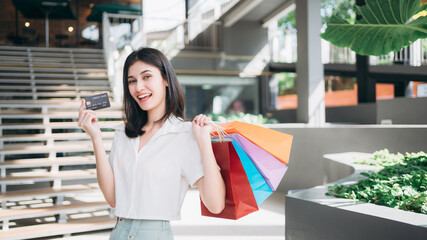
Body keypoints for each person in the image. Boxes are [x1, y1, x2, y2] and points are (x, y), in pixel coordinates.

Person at [78, 47, 226, 239]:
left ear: (165, 79)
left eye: (146, 77)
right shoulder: (122, 133)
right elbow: (113, 199)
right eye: (132, 81)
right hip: (118, 232)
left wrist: (204, 143)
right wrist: (96, 138)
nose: (138, 87)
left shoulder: (184, 134)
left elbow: (215, 205)